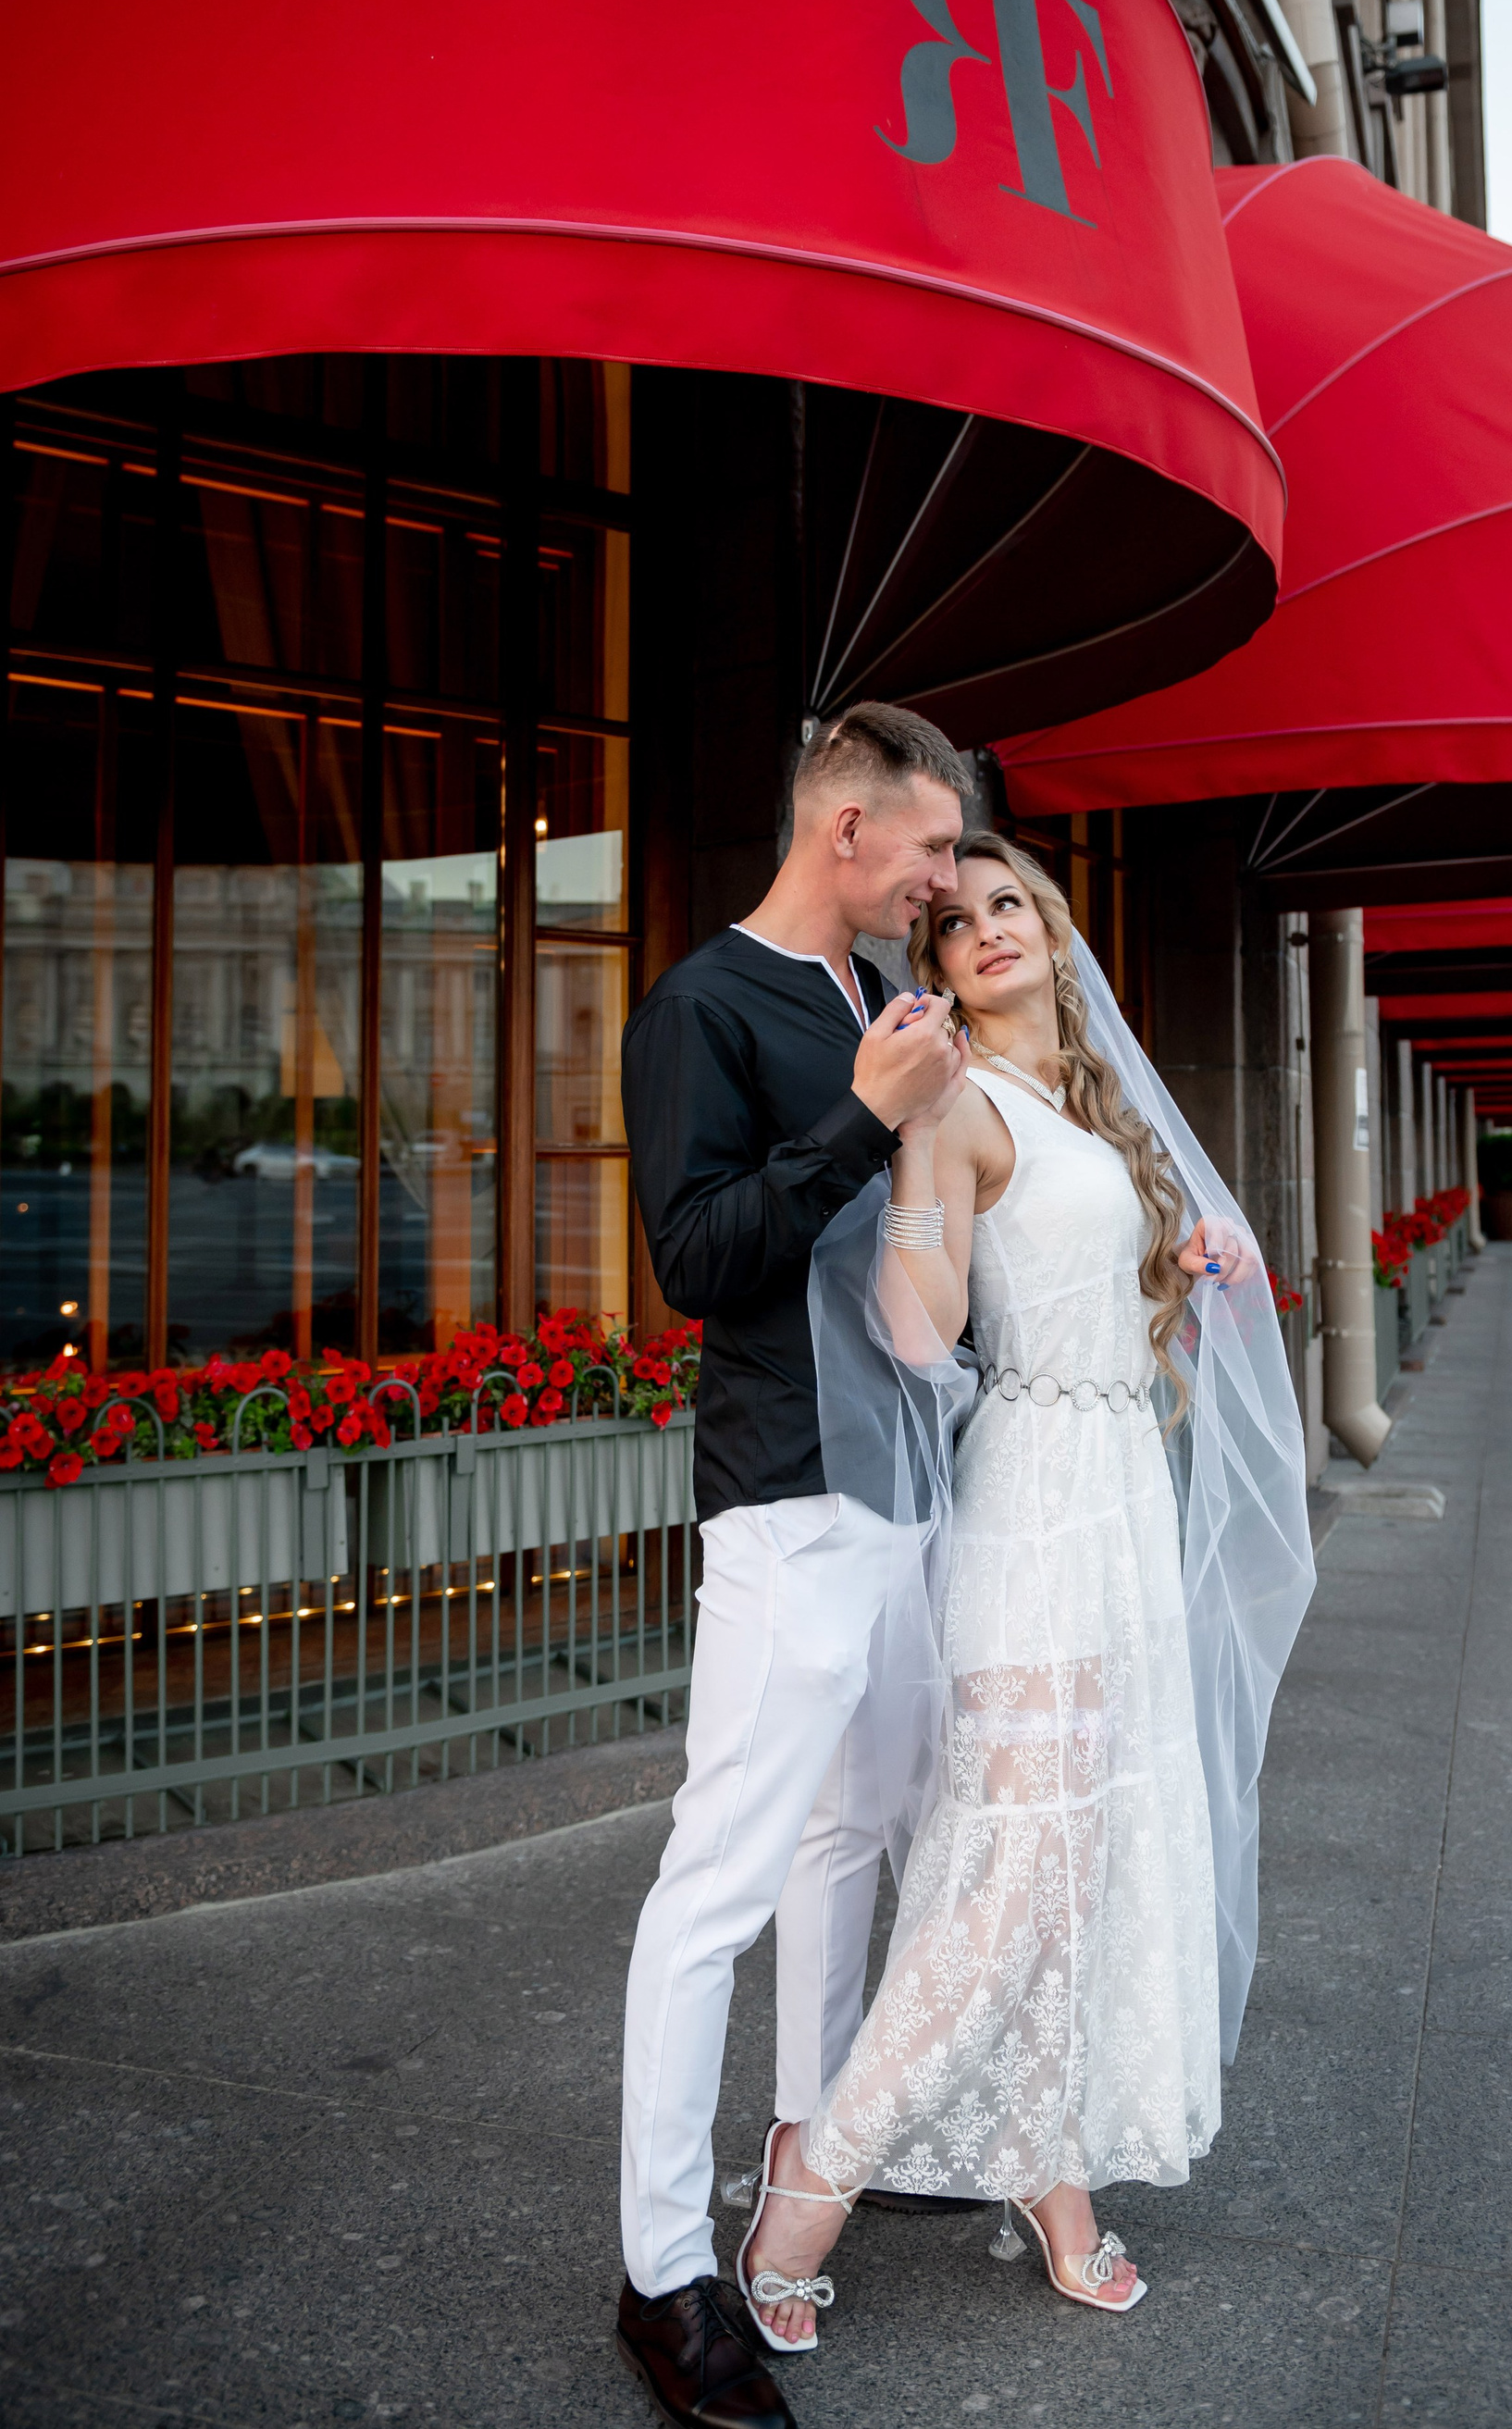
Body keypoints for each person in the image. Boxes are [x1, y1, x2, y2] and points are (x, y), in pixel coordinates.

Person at [730, 834, 1313, 2343]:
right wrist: (910, 1178)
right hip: (1033, 1505)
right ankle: (812, 2185)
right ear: (931, 969)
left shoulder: (1091, 1108)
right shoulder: (963, 1103)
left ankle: (1055, 2187)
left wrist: (1196, 1253)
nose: (985, 930)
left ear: (1053, 932)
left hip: (1117, 1498)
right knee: (1009, 1881)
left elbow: (1118, 1302)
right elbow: (925, 1327)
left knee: (1084, 1866)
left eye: (1008, 906)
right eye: (951, 922)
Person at [613, 703, 973, 2429]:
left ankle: (815, 2149)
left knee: (855, 1828)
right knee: (719, 1879)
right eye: (931, 845)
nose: (945, 878)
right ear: (847, 831)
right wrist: (859, 1117)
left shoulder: (871, 995)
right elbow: (692, 1260)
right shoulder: (701, 1003)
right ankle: (660, 2272)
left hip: (901, 1492)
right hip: (785, 1496)